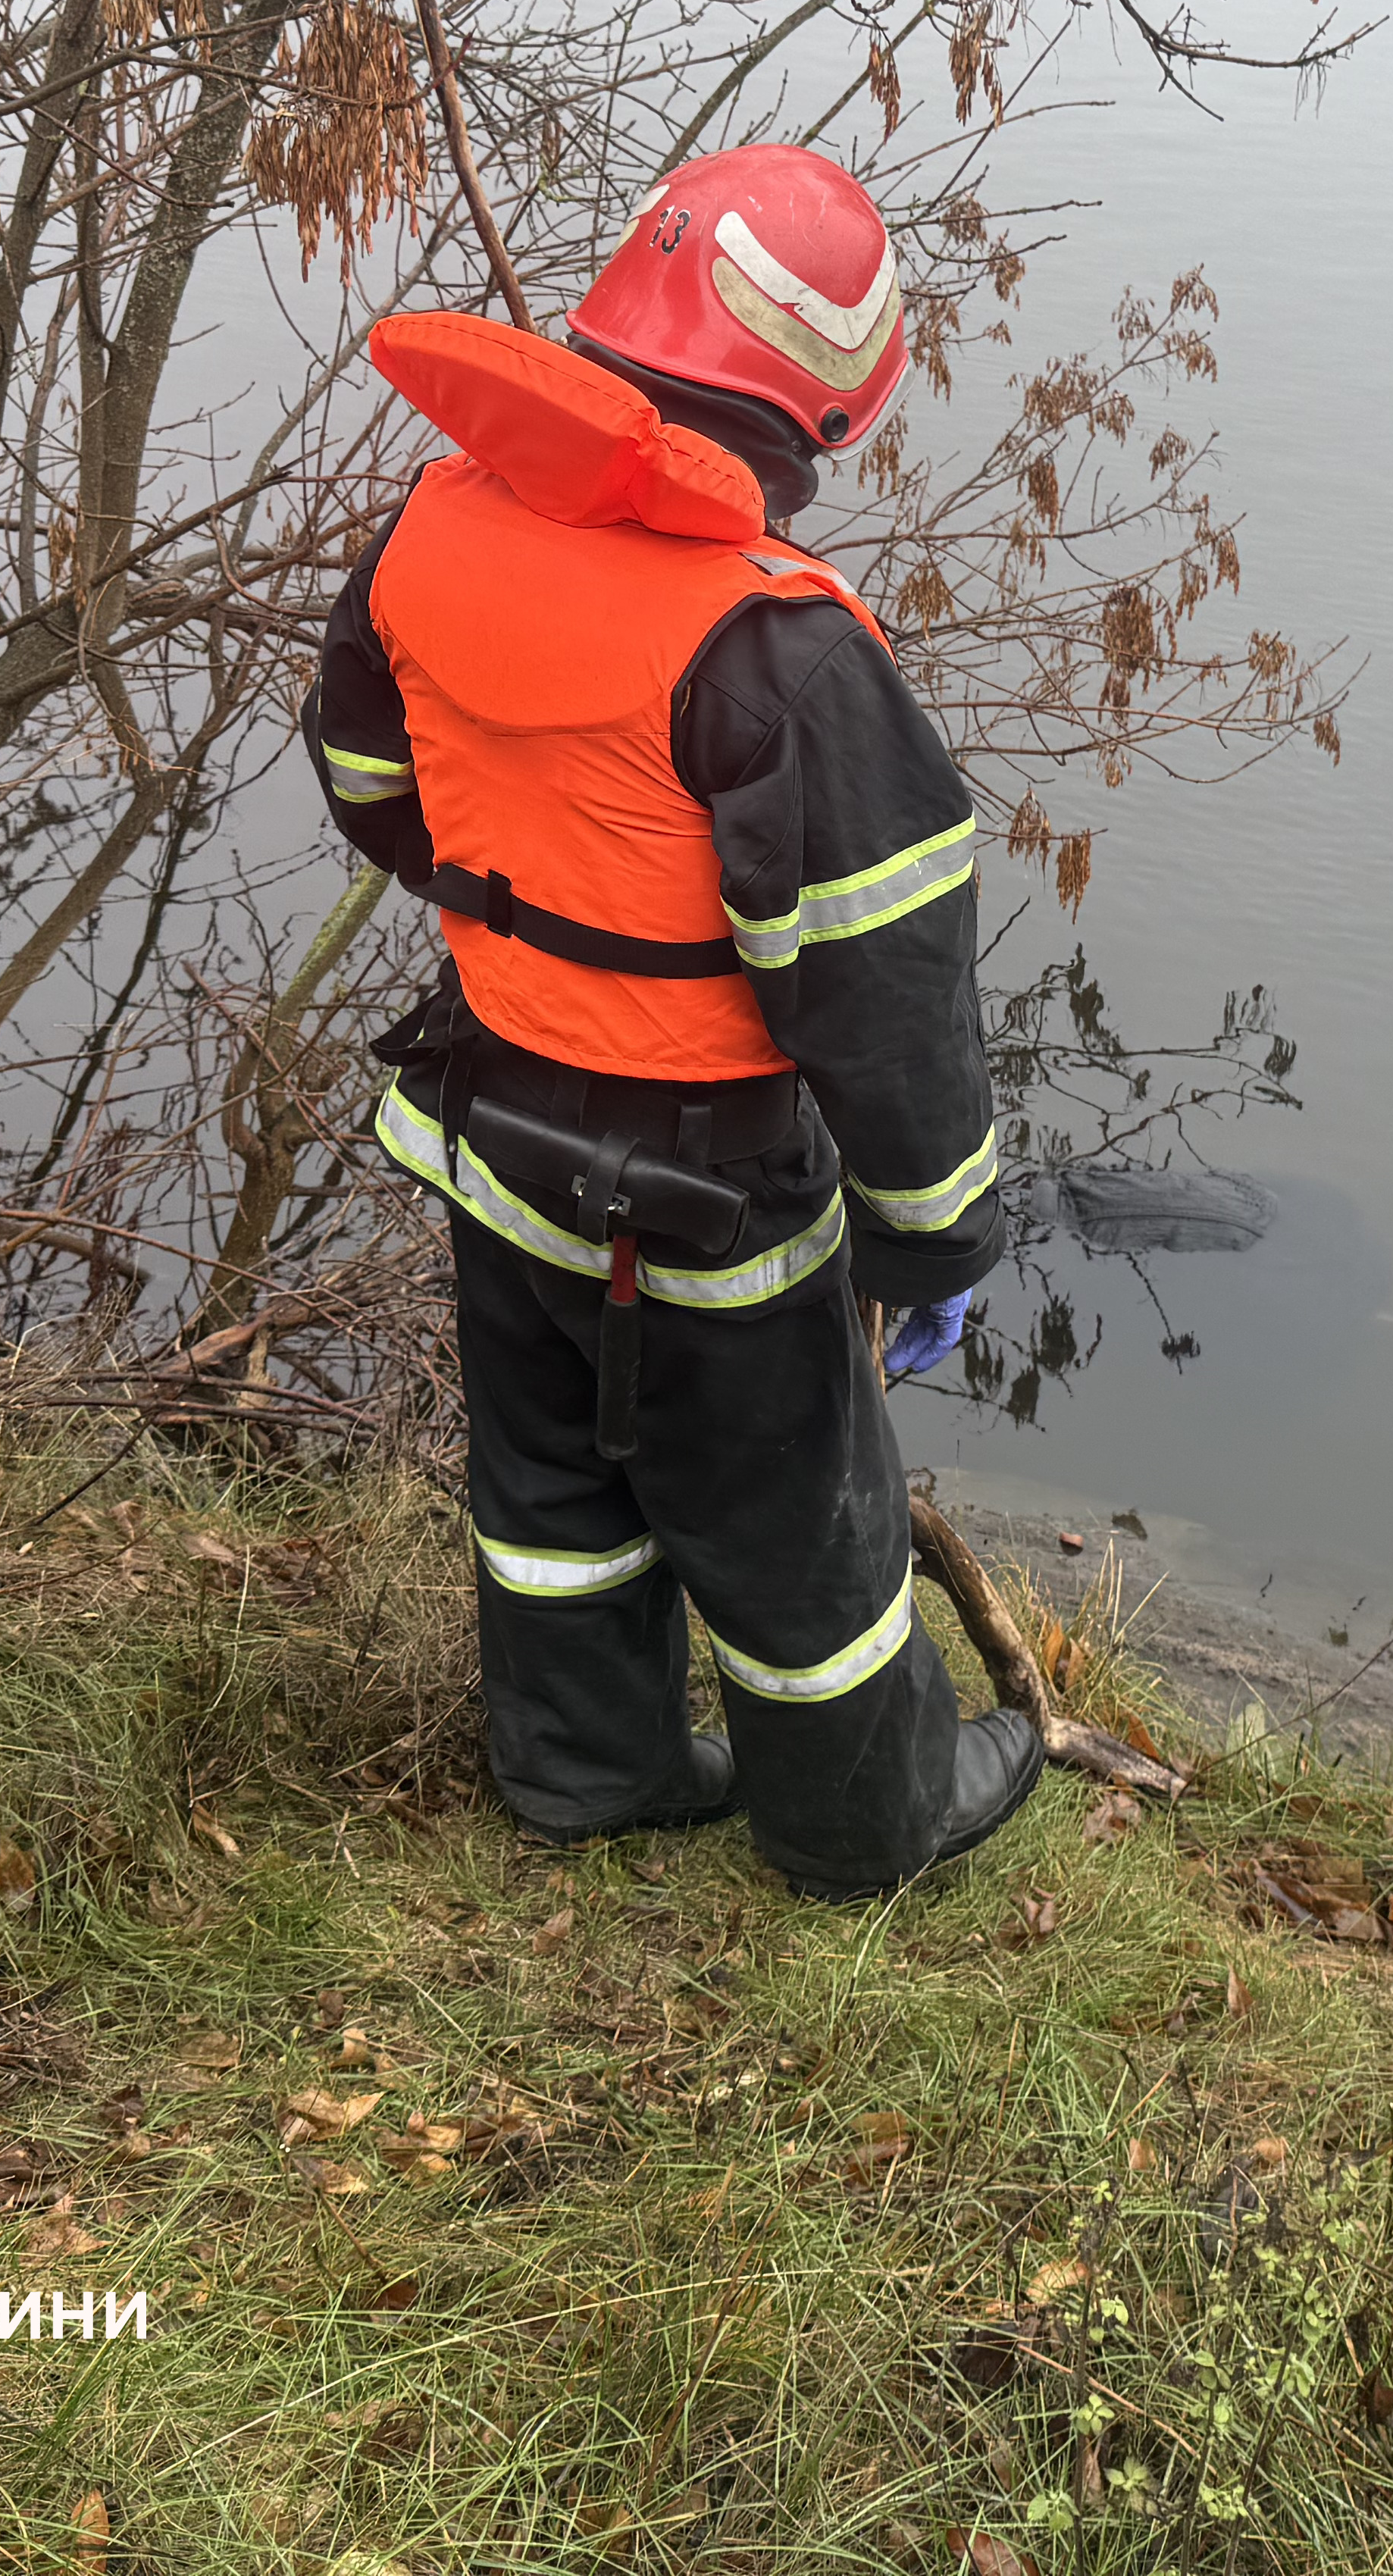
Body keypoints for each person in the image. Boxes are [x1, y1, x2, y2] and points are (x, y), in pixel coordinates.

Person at [306, 143, 1039, 1899]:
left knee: (550, 1488)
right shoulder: (782, 648)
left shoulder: (428, 528)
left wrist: (543, 913)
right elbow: (885, 993)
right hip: (716, 1192)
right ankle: (868, 1826)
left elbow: (365, 784)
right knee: (802, 1532)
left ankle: (585, 1774)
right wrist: (935, 1243)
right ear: (820, 422)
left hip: (498, 1136)